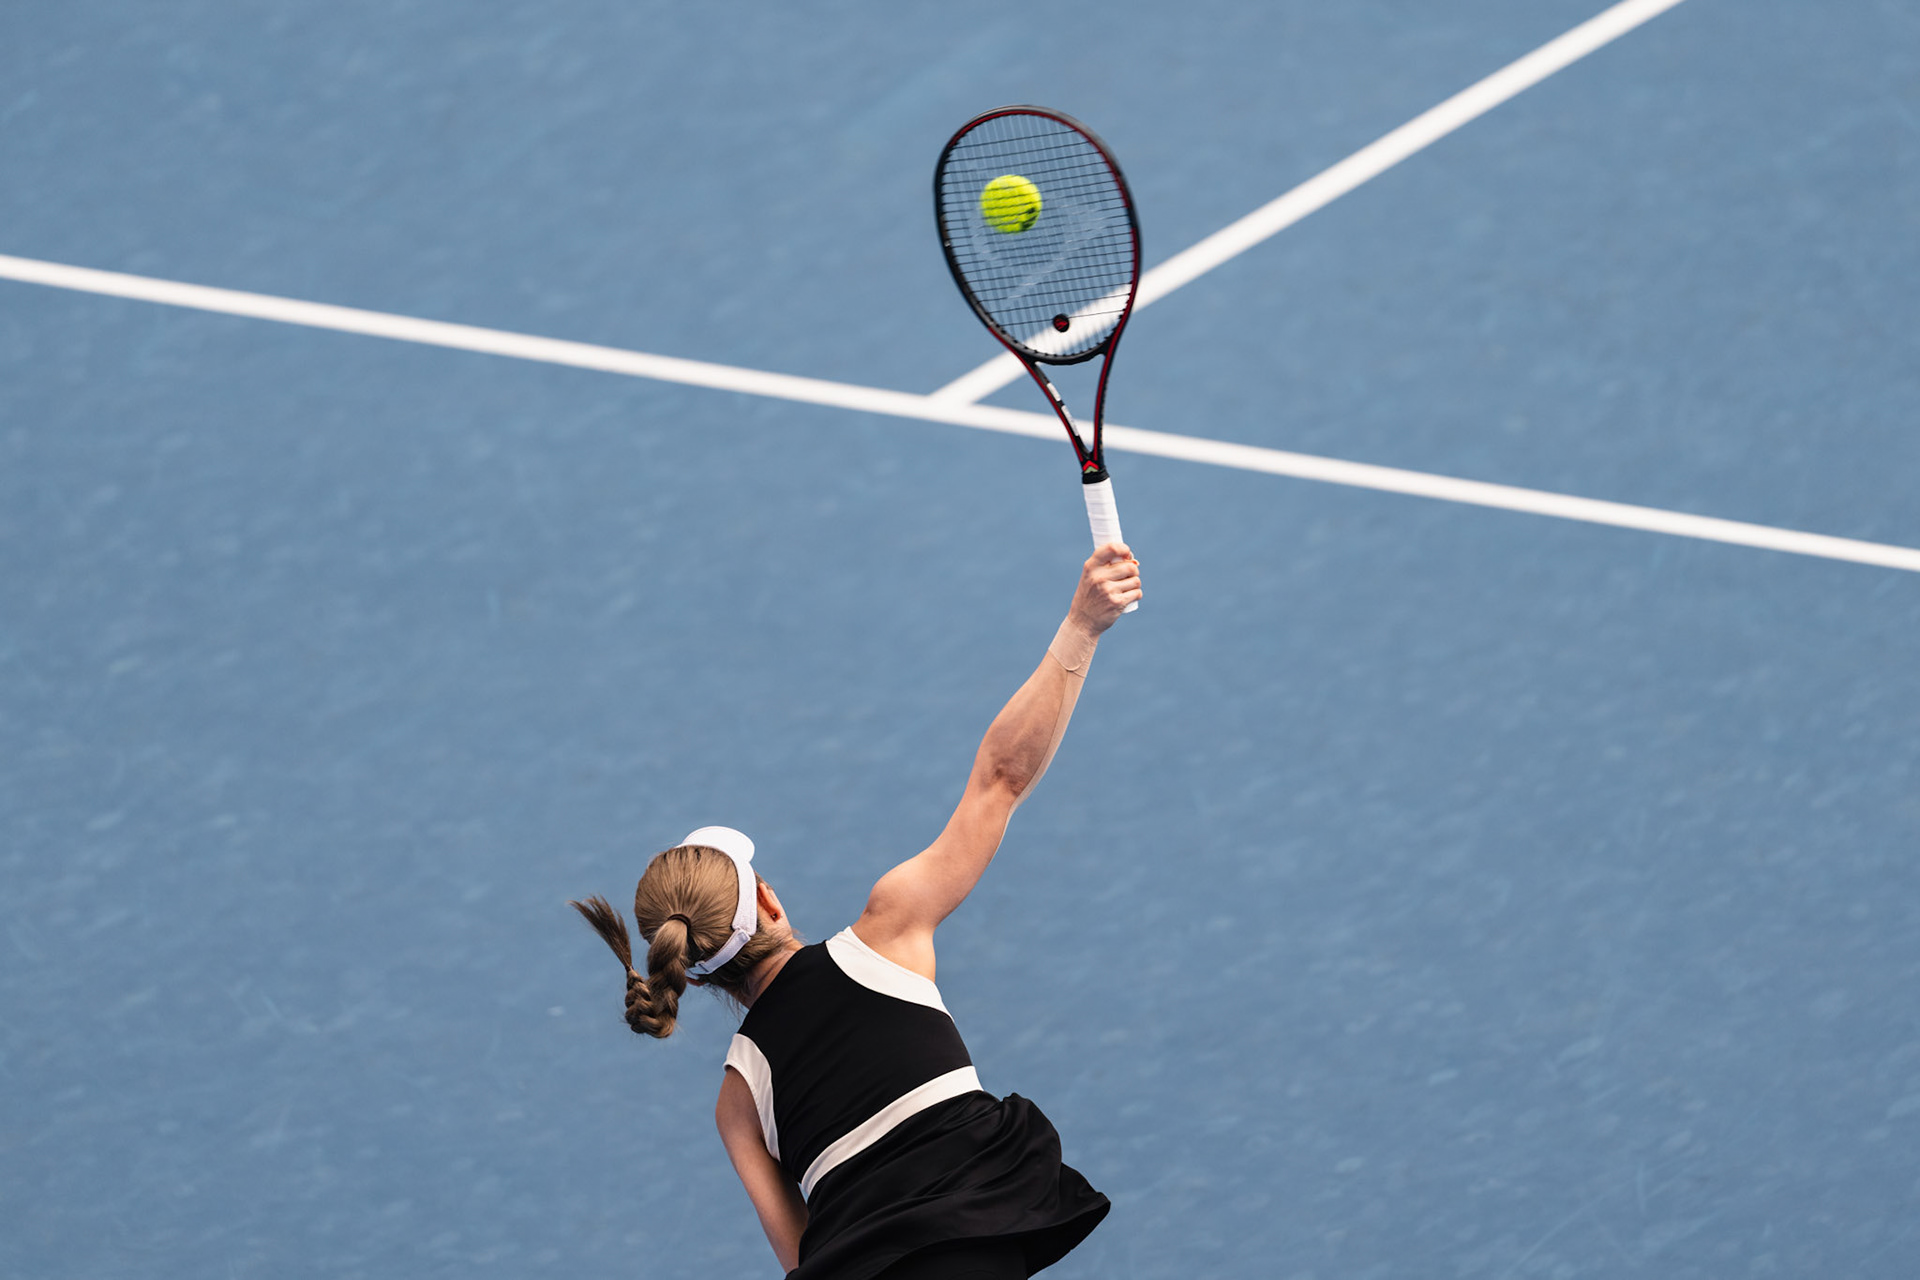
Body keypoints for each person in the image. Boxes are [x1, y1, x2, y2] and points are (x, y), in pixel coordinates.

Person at [572, 543, 1144, 1279]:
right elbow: (1000, 779)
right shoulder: (889, 929)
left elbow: (800, 1259)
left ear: (695, 971)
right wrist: (1082, 626)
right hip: (979, 1238)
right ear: (768, 900)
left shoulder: (737, 1104)